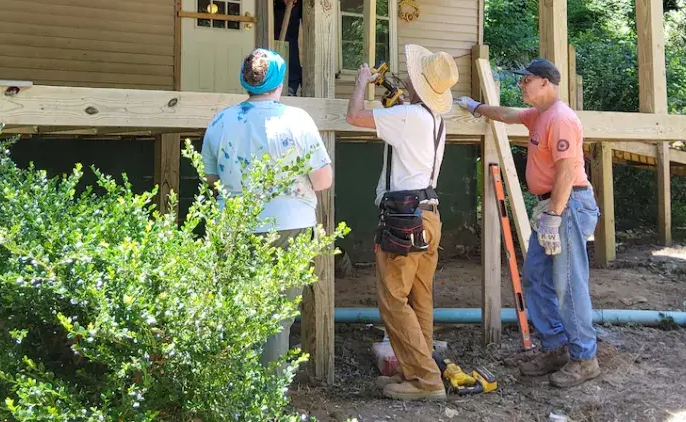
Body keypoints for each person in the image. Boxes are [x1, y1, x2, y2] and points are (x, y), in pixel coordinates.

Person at [456, 58, 601, 388]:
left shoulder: (561, 119)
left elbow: (566, 170)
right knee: (536, 277)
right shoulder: (538, 115)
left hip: (568, 206)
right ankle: (556, 348)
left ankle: (585, 358)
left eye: (527, 80)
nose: (522, 84)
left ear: (546, 84)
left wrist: (553, 215)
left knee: (568, 284)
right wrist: (476, 106)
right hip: (553, 206)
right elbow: (507, 115)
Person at [201, 48, 334, 365]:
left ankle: (233, 402)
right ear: (279, 81)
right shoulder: (297, 120)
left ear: (245, 81)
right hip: (289, 226)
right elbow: (323, 179)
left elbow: (211, 177)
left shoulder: (221, 120)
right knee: (275, 319)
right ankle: (268, 406)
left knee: (236, 312)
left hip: (234, 225)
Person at [346, 45, 459, 401]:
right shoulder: (433, 119)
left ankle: (425, 380)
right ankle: (420, 371)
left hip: (405, 217)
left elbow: (354, 116)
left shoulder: (410, 116)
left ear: (420, 82)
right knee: (420, 297)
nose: (407, 75)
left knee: (393, 299)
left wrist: (362, 82)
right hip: (429, 214)